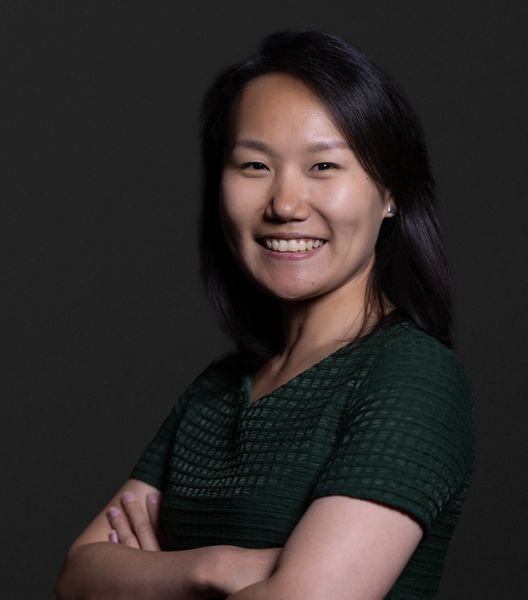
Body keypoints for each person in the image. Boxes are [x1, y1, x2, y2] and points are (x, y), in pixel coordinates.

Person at [55, 29, 475, 600]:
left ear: (391, 192)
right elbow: (77, 577)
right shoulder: (216, 390)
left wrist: (147, 580)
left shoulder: (411, 377)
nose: (284, 205)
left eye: (323, 165)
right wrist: (215, 569)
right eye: (254, 165)